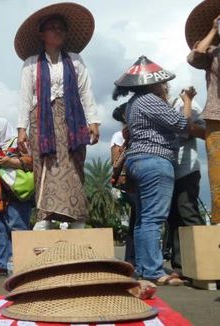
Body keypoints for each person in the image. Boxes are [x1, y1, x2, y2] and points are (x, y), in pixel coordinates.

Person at [15, 3, 100, 230]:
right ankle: (46, 217)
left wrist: (93, 121)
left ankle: (76, 218)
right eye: (52, 27)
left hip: (72, 120)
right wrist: (21, 129)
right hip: (41, 122)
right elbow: (25, 97)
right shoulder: (31, 63)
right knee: (45, 164)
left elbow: (85, 91)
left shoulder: (74, 60)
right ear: (42, 34)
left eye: (61, 27)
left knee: (72, 165)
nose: (58, 31)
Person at [113, 55, 196, 285]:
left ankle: (143, 267)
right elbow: (183, 125)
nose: (164, 86)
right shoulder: (149, 99)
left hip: (138, 162)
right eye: (161, 82)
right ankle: (153, 271)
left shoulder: (132, 104)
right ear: (152, 82)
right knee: (153, 218)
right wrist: (187, 100)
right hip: (155, 159)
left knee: (143, 219)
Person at [0, 118, 33, 275]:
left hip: (15, 195)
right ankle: (2, 263)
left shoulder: (18, 142)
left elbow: (33, 162)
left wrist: (12, 162)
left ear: (2, 128)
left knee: (17, 228)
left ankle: (23, 264)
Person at [185, 1, 220, 224]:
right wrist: (215, 29)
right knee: (218, 174)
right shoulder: (210, 51)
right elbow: (194, 56)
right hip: (216, 117)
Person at [167, 94, 206, 274]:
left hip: (187, 170)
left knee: (188, 213)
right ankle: (181, 266)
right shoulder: (154, 106)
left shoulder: (184, 103)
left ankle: (206, 262)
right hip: (167, 172)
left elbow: (206, 132)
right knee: (173, 219)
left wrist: (186, 126)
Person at [110, 103, 136, 265]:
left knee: (138, 218)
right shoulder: (119, 136)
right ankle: (132, 258)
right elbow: (115, 162)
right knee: (137, 218)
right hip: (128, 183)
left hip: (138, 180)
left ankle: (133, 258)